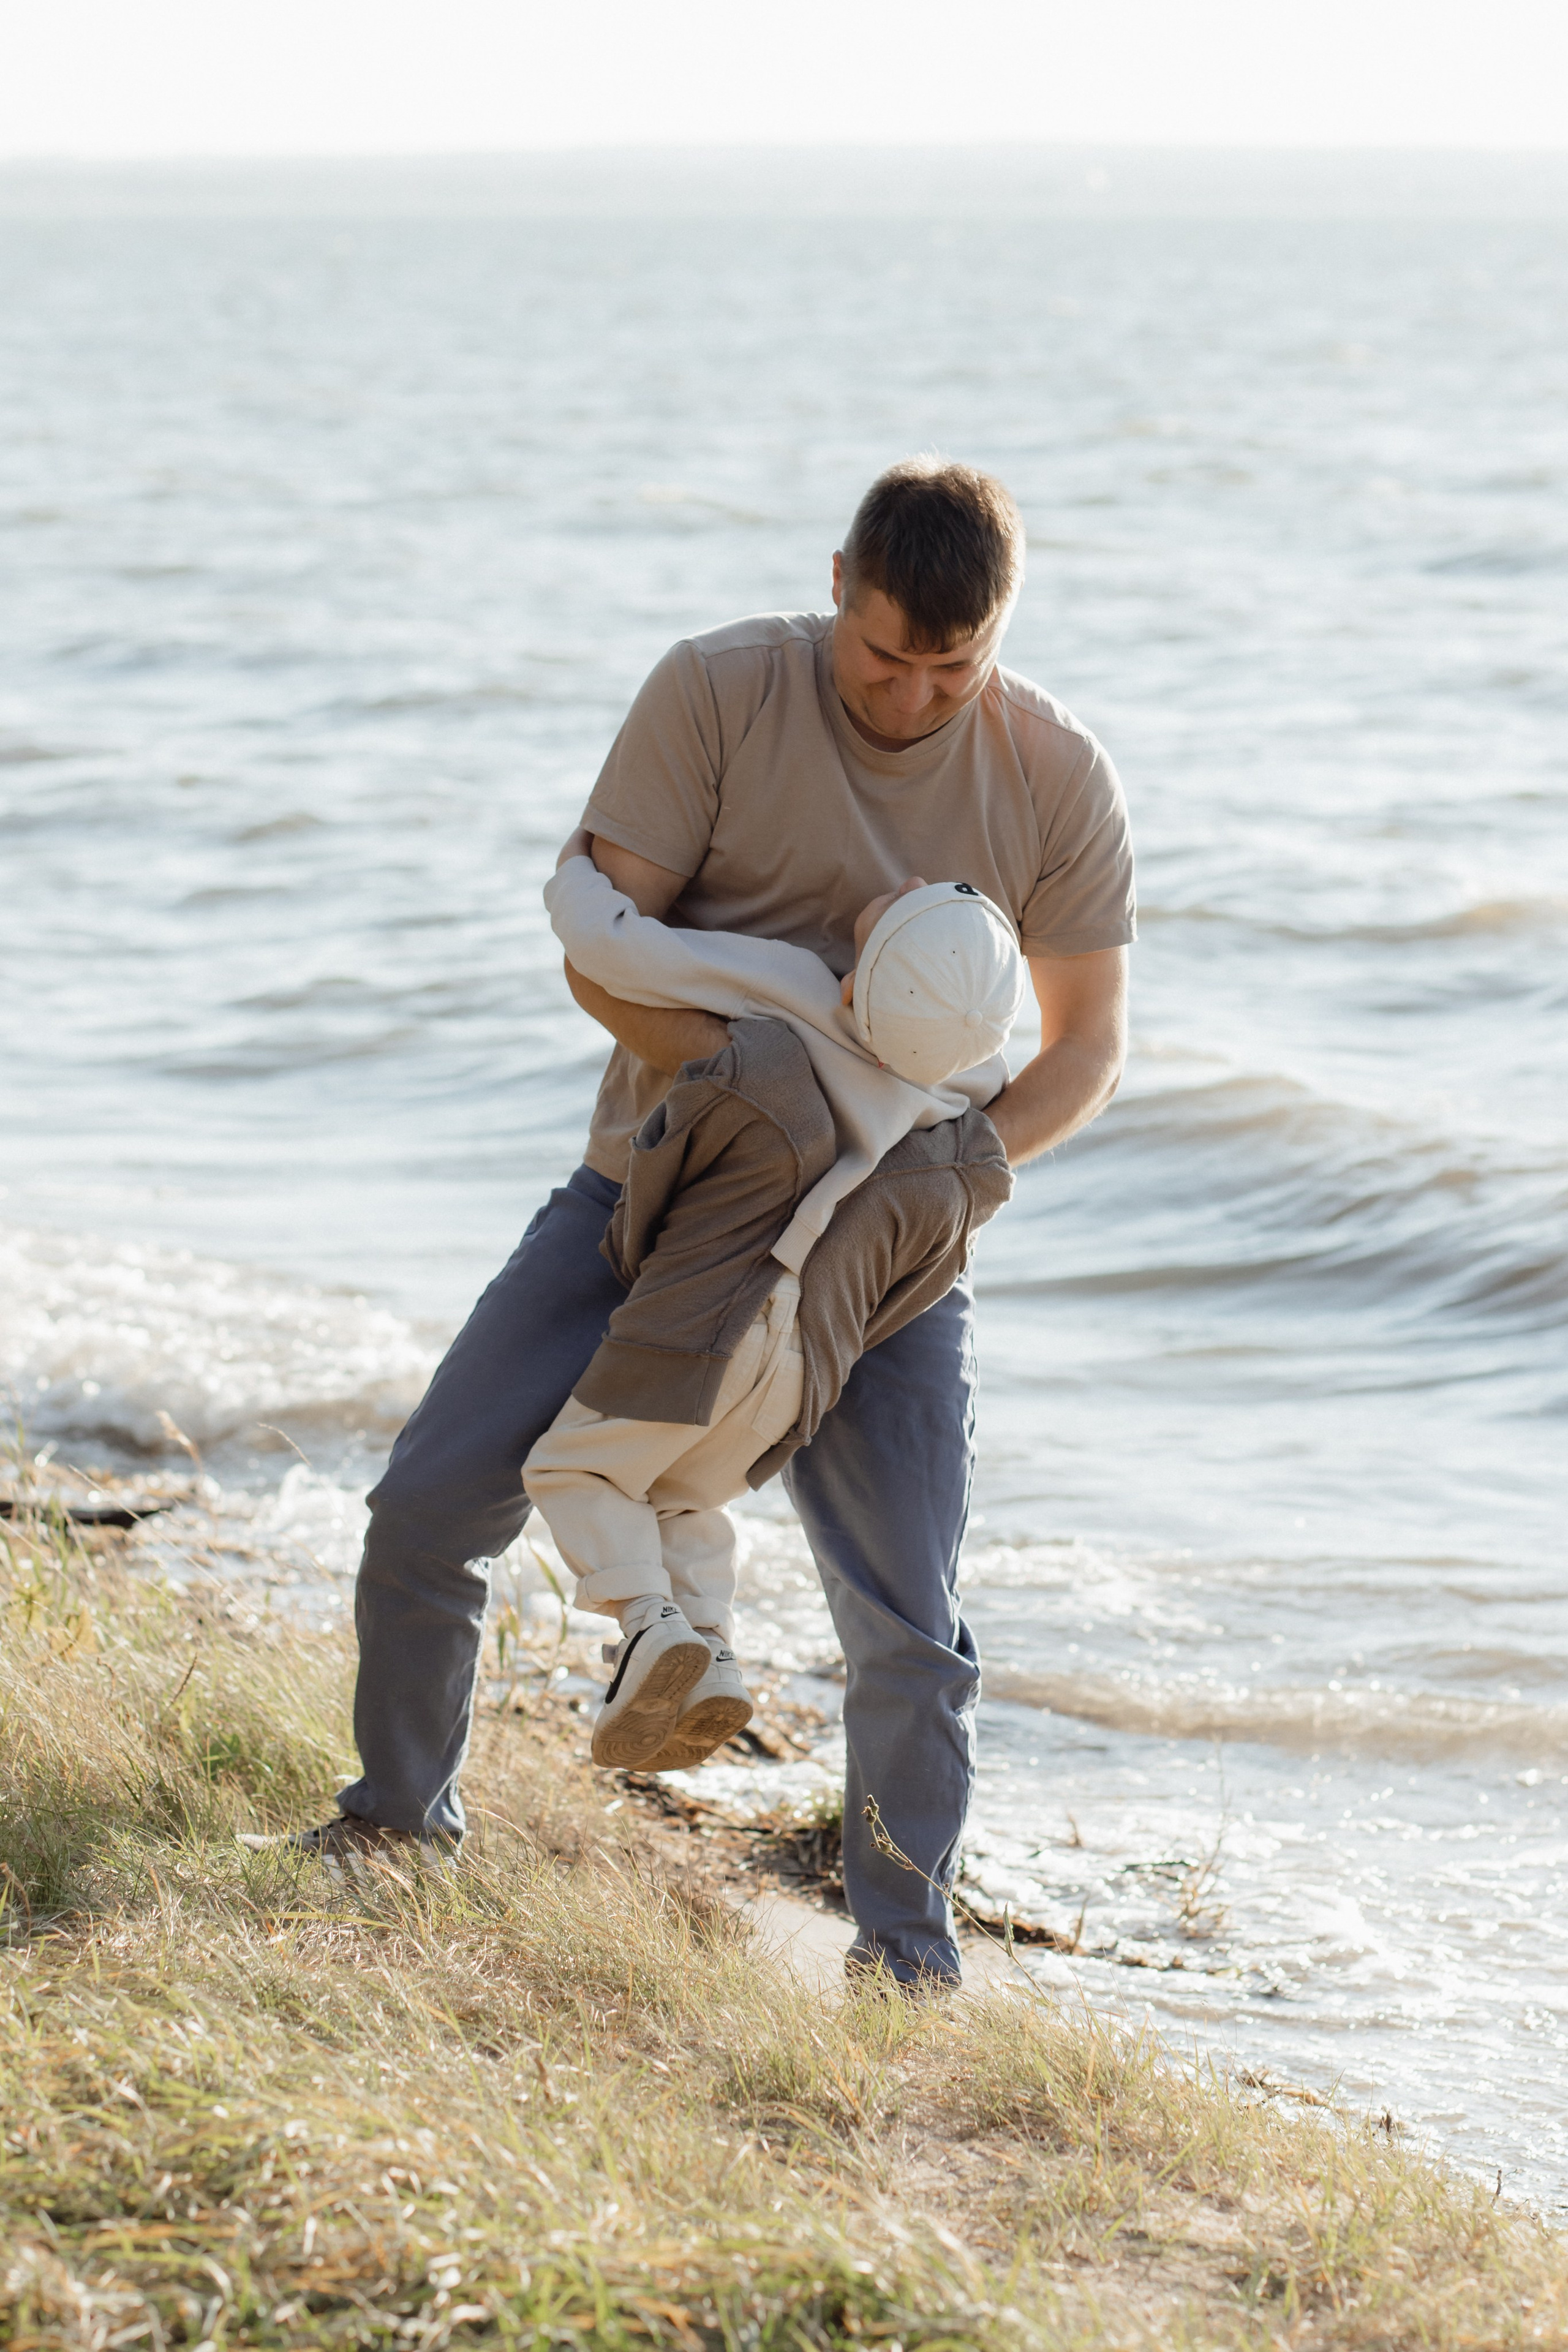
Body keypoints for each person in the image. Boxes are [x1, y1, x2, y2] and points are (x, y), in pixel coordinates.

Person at [292, 456, 1134, 1992]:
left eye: (955, 665)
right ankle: (398, 1830)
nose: (913, 692)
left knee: (907, 1624)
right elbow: (602, 952)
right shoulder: (715, 692)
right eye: (885, 655)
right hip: (654, 1188)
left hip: (887, 1243)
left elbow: (1083, 1045)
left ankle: (904, 1960)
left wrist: (943, 1174)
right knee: (427, 1510)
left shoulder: (1054, 773)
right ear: (834, 585)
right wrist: (758, 1091)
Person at [522, 859, 1024, 1771]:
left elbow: (616, 950)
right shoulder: (962, 1078)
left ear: (862, 978)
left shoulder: (795, 990)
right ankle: (708, 1649)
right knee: (674, 1490)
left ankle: (645, 1626)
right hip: (805, 1367)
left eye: (908, 903)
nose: (910, 874)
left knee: (574, 1471)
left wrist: (573, 875)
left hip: (718, 1315)